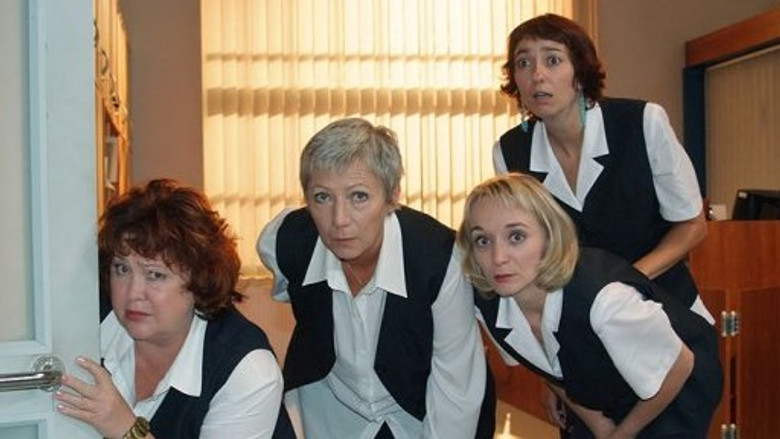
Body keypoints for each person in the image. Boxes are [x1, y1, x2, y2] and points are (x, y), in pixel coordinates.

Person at [257, 117, 495, 438]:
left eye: (359, 196)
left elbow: (456, 387)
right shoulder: (285, 242)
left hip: (419, 412)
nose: (339, 220)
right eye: (322, 197)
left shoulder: (441, 259)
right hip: (329, 411)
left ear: (393, 195)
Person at [458, 173, 723, 439]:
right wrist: (601, 428)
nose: (498, 258)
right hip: (606, 388)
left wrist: (622, 435)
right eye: (483, 241)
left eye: (516, 237)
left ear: (549, 237)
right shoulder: (488, 304)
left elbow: (679, 366)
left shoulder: (604, 300)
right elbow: (546, 364)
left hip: (675, 386)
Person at [492, 14, 712, 322]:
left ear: (580, 72)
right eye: (523, 63)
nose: (537, 75)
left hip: (667, 308)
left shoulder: (641, 122)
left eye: (553, 60)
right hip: (583, 319)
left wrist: (624, 283)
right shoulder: (510, 151)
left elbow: (693, 226)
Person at [54, 179, 295, 438]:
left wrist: (125, 429)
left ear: (199, 280)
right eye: (122, 269)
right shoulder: (89, 319)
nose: (133, 293)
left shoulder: (246, 369)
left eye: (155, 275)